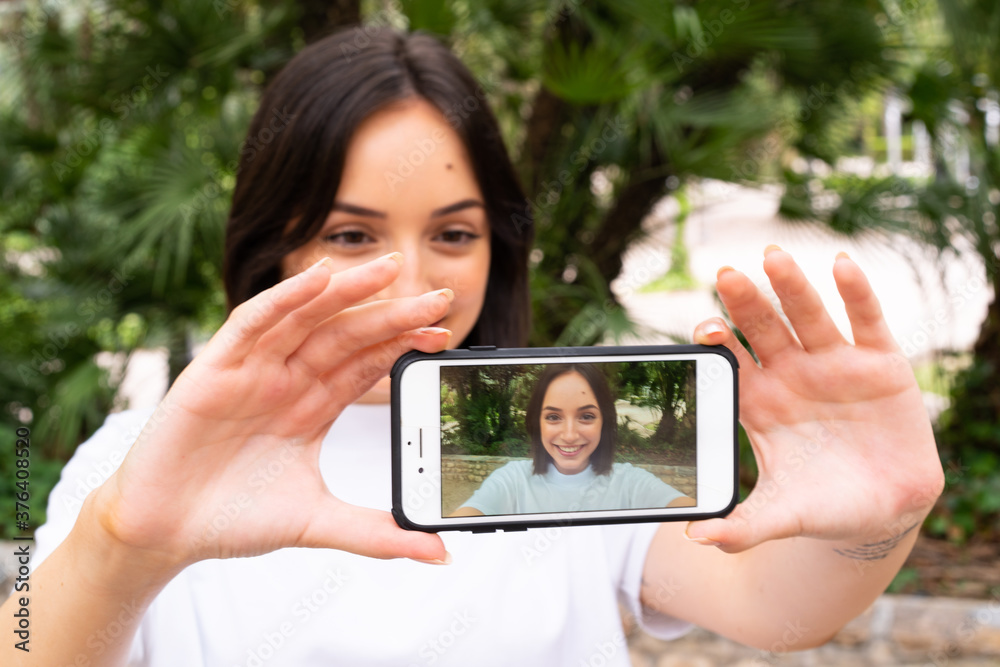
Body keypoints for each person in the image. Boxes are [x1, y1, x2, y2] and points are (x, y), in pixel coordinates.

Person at [7, 27, 944, 667]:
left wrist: (875, 522)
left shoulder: (571, 426)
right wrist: (124, 542)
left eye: (453, 234)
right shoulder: (134, 455)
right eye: (350, 235)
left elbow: (772, 606)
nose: (415, 281)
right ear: (273, 248)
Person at [452, 363, 695, 515]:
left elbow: (700, 521)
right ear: (537, 422)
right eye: (553, 416)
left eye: (586, 416)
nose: (569, 435)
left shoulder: (631, 484)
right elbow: (460, 529)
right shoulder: (512, 481)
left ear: (605, 422)